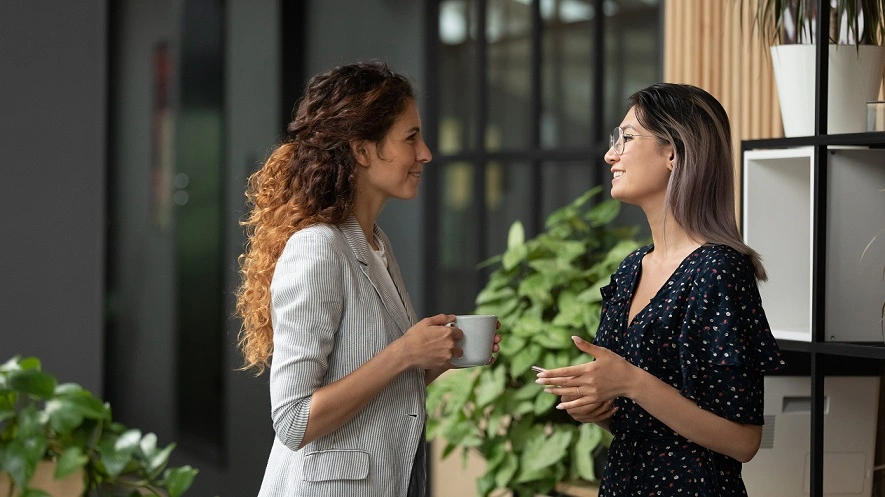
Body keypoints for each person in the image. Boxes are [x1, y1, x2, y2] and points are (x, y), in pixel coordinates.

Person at [235, 61, 499, 497]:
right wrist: (404, 353)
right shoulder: (318, 248)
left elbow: (373, 385)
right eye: (411, 138)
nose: (426, 153)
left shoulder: (373, 244)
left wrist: (436, 357)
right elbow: (294, 420)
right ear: (361, 151)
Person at [534, 83, 784, 496]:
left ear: (673, 153)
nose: (610, 154)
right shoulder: (631, 268)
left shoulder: (719, 270)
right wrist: (599, 407)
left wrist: (630, 382)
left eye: (627, 138)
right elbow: (642, 417)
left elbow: (743, 442)